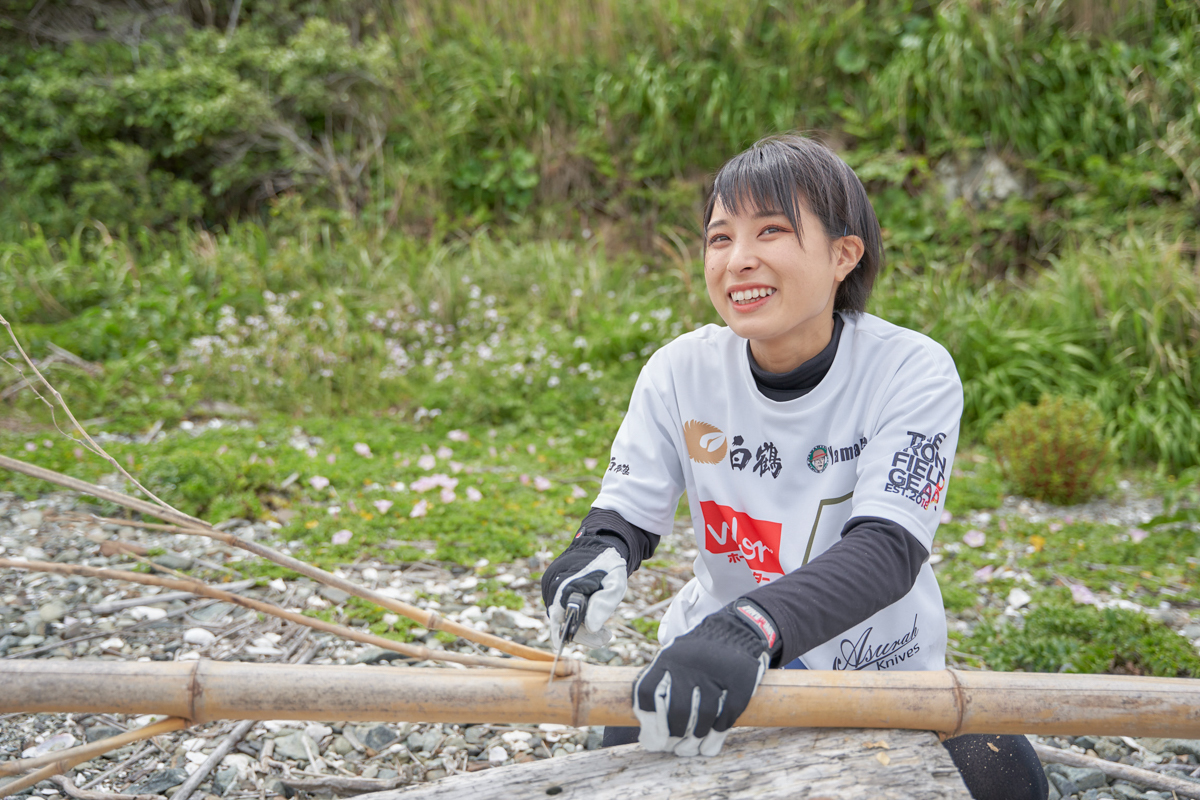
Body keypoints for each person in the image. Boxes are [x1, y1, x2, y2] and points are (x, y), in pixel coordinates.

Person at [541, 134, 1047, 800]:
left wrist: (753, 625)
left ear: (844, 254)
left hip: (880, 677)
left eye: (771, 231)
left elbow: (889, 549)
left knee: (1006, 776)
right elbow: (626, 513)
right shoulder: (681, 371)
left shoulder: (910, 370)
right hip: (717, 663)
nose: (738, 261)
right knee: (623, 765)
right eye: (720, 239)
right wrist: (596, 552)